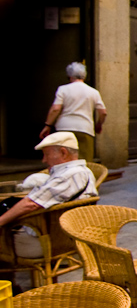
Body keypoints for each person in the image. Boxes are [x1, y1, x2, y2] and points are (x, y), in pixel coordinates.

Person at [0, 132, 97, 260]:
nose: (44, 160)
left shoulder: (71, 174)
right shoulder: (78, 171)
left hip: (45, 238)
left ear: (63, 153)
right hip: (51, 232)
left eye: (47, 154)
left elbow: (31, 204)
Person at [40, 62, 106, 161]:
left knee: (63, 159)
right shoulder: (93, 92)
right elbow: (103, 112)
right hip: (85, 128)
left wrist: (48, 125)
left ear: (69, 76)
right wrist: (99, 124)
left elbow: (56, 109)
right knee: (84, 161)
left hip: (64, 127)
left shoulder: (63, 89)